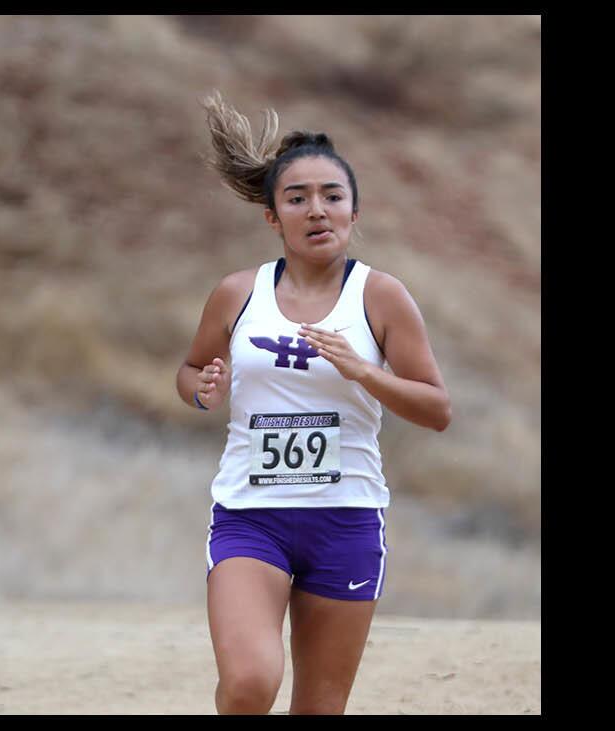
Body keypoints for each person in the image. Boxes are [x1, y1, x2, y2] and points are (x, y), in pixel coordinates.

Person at [177, 92, 451, 714]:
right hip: (253, 516)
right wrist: (200, 389)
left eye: (332, 195)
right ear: (273, 217)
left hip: (346, 518)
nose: (317, 209)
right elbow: (191, 368)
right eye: (297, 198)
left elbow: (437, 409)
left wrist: (361, 370)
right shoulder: (237, 293)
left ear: (355, 210)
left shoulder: (381, 297)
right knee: (249, 684)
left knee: (319, 710)